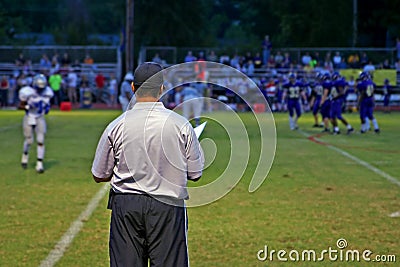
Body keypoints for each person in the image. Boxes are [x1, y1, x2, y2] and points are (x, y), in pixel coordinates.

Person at [91, 62, 204, 267]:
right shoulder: (181, 125)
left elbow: (99, 174)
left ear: (133, 88)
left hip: (126, 205)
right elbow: (195, 174)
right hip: (168, 205)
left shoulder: (116, 125)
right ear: (162, 88)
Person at [19, 74, 54, 173]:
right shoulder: (27, 92)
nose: (40, 90)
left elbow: (47, 104)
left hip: (39, 117)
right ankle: (25, 155)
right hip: (29, 116)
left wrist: (47, 108)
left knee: (41, 140)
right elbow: (20, 106)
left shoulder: (47, 92)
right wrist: (28, 106)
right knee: (29, 140)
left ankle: (39, 164)